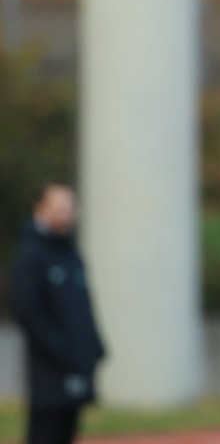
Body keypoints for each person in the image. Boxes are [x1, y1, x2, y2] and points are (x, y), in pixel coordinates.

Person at [10, 183, 105, 444]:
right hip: (48, 373)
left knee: (67, 432)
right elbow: (28, 311)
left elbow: (83, 308)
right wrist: (62, 349)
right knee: (45, 434)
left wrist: (94, 348)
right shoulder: (30, 256)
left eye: (69, 207)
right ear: (41, 210)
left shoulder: (71, 255)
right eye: (58, 207)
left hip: (75, 367)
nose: (65, 213)